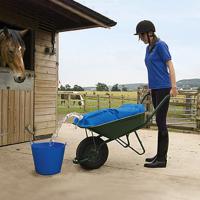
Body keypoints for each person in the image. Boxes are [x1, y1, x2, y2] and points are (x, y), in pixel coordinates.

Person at [134, 20, 177, 168]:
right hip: (155, 89)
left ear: (150, 33)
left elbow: (169, 64)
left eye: (141, 35)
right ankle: (159, 155)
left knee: (161, 122)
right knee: (158, 122)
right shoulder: (148, 49)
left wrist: (174, 86)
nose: (141, 38)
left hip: (165, 87)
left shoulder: (161, 45)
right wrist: (151, 87)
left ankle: (162, 159)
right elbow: (152, 70)